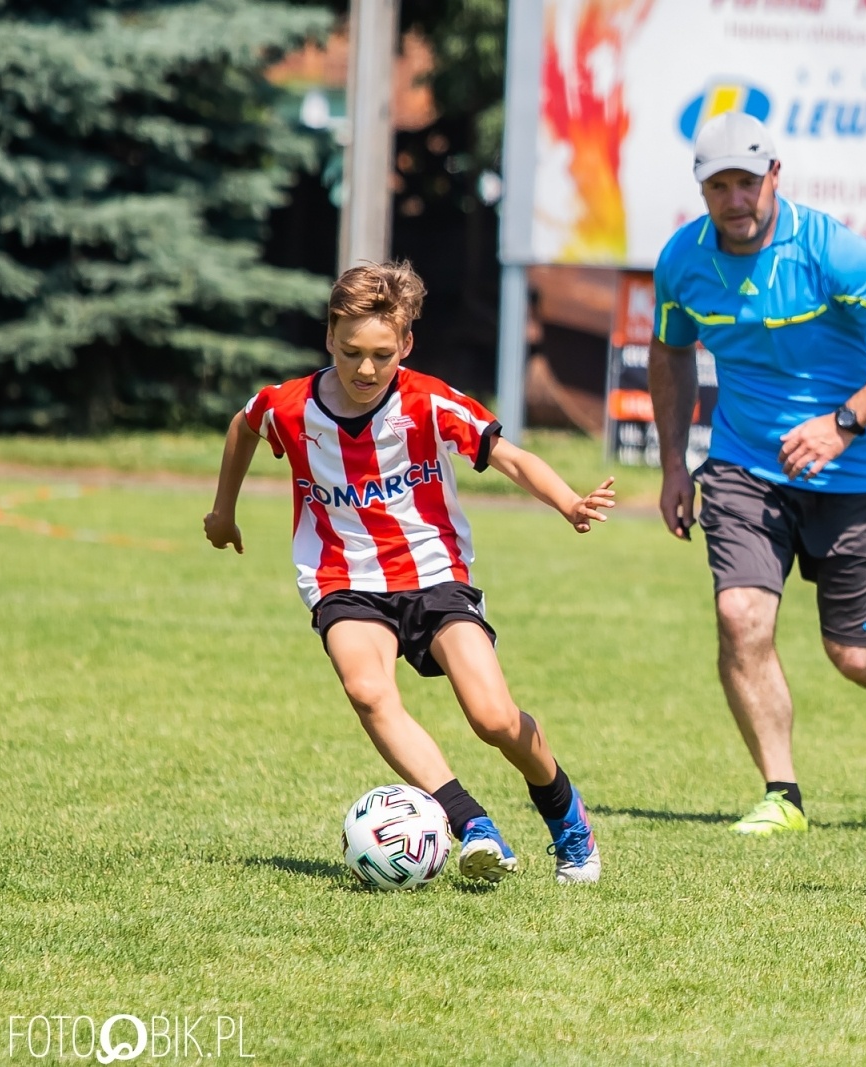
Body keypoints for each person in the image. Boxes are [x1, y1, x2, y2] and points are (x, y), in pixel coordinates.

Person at [203, 262, 614, 882]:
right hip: (341, 579)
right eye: (350, 353)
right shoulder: (288, 406)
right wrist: (222, 511)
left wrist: (569, 502)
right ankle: (471, 823)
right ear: (329, 340)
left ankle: (565, 814)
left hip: (434, 574)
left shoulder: (427, 401)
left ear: (406, 346)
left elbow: (510, 457)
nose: (365, 370)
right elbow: (243, 427)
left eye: (381, 355)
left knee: (493, 718)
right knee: (368, 692)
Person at [648, 113, 866, 834]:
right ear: (702, 190)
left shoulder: (827, 250)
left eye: (747, 183)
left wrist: (842, 422)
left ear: (775, 177)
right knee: (740, 617)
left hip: (855, 475)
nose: (735, 199)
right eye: (719, 185)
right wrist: (673, 463)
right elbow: (670, 352)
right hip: (744, 466)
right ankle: (781, 794)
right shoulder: (683, 260)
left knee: (856, 654)